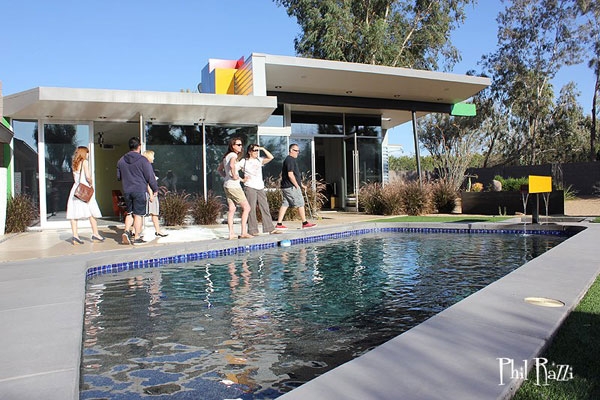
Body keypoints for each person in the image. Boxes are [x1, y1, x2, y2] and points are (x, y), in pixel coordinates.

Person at [117, 137, 159, 245]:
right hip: (139, 190)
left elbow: (118, 176)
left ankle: (126, 231)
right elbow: (150, 176)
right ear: (139, 147)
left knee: (129, 213)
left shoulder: (121, 160)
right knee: (138, 215)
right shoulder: (143, 160)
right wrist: (155, 189)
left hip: (127, 190)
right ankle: (136, 238)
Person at [239, 144, 282, 236]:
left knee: (265, 207)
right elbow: (233, 170)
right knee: (251, 209)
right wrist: (242, 179)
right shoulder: (244, 161)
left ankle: (270, 228)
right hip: (250, 187)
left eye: (257, 150)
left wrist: (262, 148)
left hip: (260, 187)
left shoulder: (259, 160)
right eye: (255, 150)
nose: (256, 152)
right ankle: (253, 230)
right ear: (250, 152)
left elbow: (271, 157)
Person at [66, 146, 104, 244]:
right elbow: (87, 176)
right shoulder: (85, 162)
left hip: (76, 190)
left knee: (74, 214)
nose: (88, 154)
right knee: (91, 212)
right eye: (87, 152)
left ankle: (75, 236)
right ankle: (95, 234)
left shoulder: (74, 164)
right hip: (84, 190)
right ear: (84, 153)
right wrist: (91, 183)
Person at [217, 137, 253, 240]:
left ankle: (231, 234)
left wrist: (236, 178)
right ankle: (243, 233)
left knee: (232, 209)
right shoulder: (233, 155)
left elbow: (219, 169)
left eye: (241, 145)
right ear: (232, 146)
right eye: (238, 145)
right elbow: (232, 166)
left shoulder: (226, 157)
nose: (241, 146)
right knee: (247, 208)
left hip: (227, 185)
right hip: (234, 186)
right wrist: (234, 176)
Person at [276, 144, 316, 230]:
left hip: (286, 187)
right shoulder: (290, 160)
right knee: (300, 203)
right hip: (291, 187)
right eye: (295, 150)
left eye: (298, 151)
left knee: (285, 204)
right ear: (290, 150)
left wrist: (301, 185)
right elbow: (290, 175)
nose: (297, 152)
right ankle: (304, 223)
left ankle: (279, 224)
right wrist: (297, 186)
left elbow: (295, 175)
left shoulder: (290, 160)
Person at [142, 150, 168, 238]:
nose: (154, 158)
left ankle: (157, 230)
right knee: (150, 213)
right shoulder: (147, 167)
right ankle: (136, 231)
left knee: (153, 213)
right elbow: (147, 182)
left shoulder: (146, 167)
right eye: (153, 156)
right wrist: (151, 194)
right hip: (150, 194)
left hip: (151, 193)